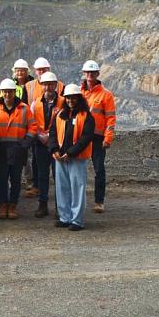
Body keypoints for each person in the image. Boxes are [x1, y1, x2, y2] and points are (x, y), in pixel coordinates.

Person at [50, 84, 97, 231]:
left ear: (79, 98)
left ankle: (77, 220)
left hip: (77, 158)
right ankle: (65, 218)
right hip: (60, 159)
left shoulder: (86, 116)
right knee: (62, 188)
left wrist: (70, 153)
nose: (70, 100)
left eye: (73, 97)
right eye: (68, 97)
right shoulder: (59, 115)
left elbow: (86, 137)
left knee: (77, 189)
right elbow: (52, 133)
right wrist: (55, 150)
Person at [0, 78, 39, 220]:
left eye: (10, 91)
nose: (7, 94)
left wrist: (25, 143)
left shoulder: (24, 108)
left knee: (16, 179)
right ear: (1, 92)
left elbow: (33, 127)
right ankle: (3, 204)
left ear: (14, 92)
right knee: (1, 179)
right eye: (5, 91)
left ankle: (12, 205)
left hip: (18, 149)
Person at [81, 60, 116, 213]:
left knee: (99, 170)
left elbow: (110, 119)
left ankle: (99, 201)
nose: (90, 75)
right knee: (78, 169)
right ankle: (79, 200)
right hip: (81, 137)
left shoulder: (106, 95)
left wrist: (108, 138)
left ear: (97, 74)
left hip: (97, 137)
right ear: (84, 74)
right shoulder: (79, 93)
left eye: (93, 72)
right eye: (88, 72)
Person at [28, 71, 63, 218]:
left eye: (50, 84)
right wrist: (39, 136)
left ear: (56, 85)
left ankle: (59, 207)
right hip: (40, 144)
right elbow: (32, 122)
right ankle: (43, 205)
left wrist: (50, 137)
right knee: (42, 175)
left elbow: (64, 123)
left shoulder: (63, 101)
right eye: (45, 84)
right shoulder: (35, 103)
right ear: (41, 85)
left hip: (57, 144)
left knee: (58, 176)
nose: (48, 87)